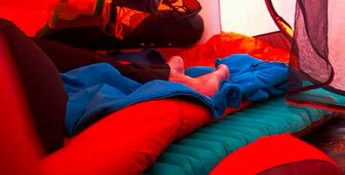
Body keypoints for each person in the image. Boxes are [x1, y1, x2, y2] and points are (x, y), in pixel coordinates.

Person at [0, 18, 229, 155]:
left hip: (38, 111)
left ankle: (165, 75)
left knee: (27, 43)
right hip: (40, 124)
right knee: (8, 35)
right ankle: (169, 80)